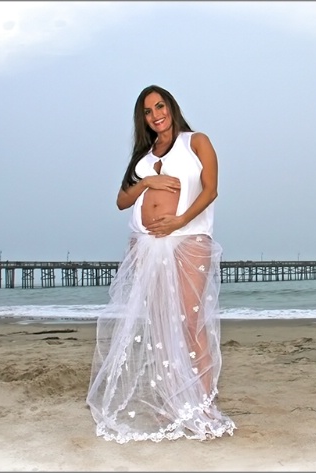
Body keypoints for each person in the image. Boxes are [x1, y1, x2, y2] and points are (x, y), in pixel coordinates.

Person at [86, 85, 236, 443]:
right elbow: (122, 200)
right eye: (148, 111)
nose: (156, 114)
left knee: (190, 322)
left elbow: (210, 190)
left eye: (160, 106)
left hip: (187, 241)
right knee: (160, 326)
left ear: (171, 106)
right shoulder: (142, 155)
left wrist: (179, 221)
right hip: (146, 245)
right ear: (144, 120)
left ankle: (200, 403)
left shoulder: (196, 141)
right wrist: (148, 181)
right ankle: (174, 400)